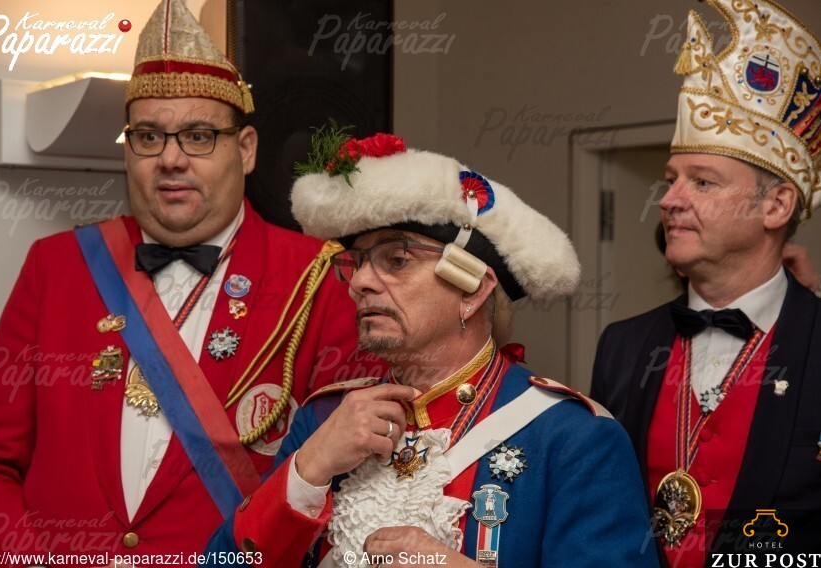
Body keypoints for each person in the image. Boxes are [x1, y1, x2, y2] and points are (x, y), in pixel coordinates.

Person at [0, 1, 370, 565]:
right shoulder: (56, 266)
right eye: (149, 136)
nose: (171, 159)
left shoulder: (319, 279)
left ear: (246, 150)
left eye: (199, 135)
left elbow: (350, 482)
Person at [203, 127, 659, 567]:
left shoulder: (573, 438)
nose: (360, 283)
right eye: (357, 263)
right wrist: (308, 469)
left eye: (396, 259)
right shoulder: (323, 419)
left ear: (472, 290)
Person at [590, 0, 821, 565]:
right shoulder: (622, 346)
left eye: (702, 182)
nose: (669, 199)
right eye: (672, 179)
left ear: (776, 206)